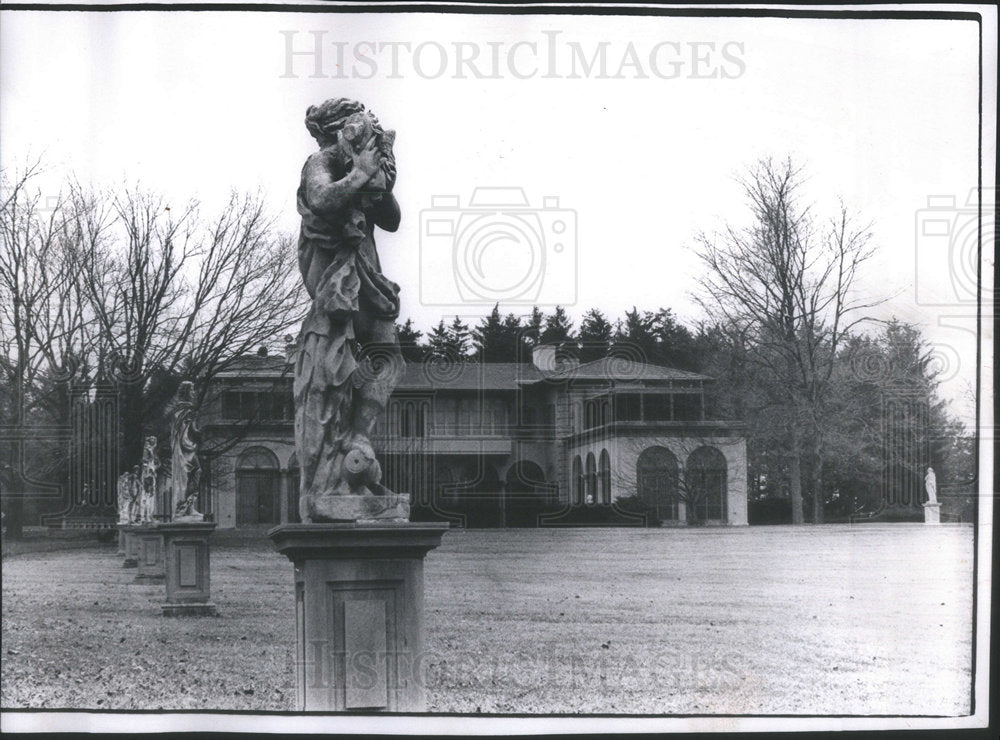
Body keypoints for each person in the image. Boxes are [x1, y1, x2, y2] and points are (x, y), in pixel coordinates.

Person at [294, 98, 404, 516]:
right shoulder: (318, 162)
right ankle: (330, 474)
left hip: (367, 272)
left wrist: (377, 179)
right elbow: (322, 199)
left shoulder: (361, 164)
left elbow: (392, 218)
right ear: (340, 131)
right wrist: (357, 174)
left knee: (388, 357)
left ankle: (359, 439)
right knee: (333, 361)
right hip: (334, 270)